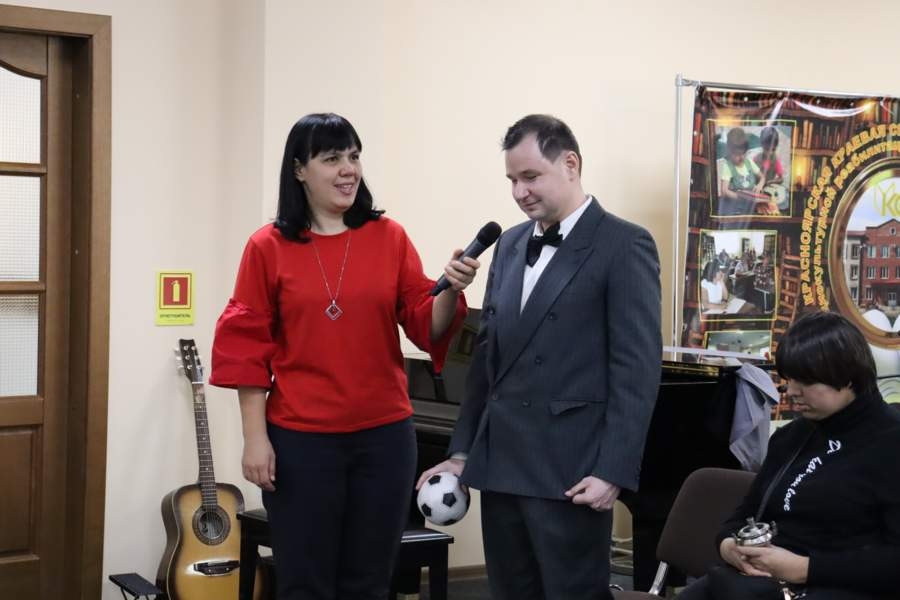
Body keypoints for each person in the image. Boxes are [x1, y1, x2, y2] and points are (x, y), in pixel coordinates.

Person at [209, 113, 479, 600]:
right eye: (332, 158)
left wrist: (450, 292)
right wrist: (255, 439)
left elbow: (426, 324)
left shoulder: (389, 236)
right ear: (299, 170)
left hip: (384, 439)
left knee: (370, 583)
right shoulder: (267, 247)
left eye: (353, 157)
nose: (348, 169)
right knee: (305, 583)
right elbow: (246, 347)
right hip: (300, 442)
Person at [417, 114, 662, 600]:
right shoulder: (509, 244)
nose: (519, 192)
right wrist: (461, 452)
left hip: (571, 469)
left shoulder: (624, 243)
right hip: (502, 463)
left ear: (570, 164)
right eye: (512, 179)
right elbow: (487, 360)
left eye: (530, 176)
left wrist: (612, 471)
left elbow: (636, 369)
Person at [677, 311, 900, 600]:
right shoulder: (790, 438)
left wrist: (804, 569)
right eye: (789, 379)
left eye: (805, 381)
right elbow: (742, 517)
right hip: (762, 585)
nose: (791, 392)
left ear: (847, 377)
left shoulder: (890, 442)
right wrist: (730, 548)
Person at [718, 127, 767, 215]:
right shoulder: (728, 166)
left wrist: (759, 185)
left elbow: (762, 177)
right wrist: (740, 198)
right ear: (730, 151)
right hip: (735, 207)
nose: (742, 158)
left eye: (744, 153)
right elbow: (724, 191)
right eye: (737, 154)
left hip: (751, 206)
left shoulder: (749, 162)